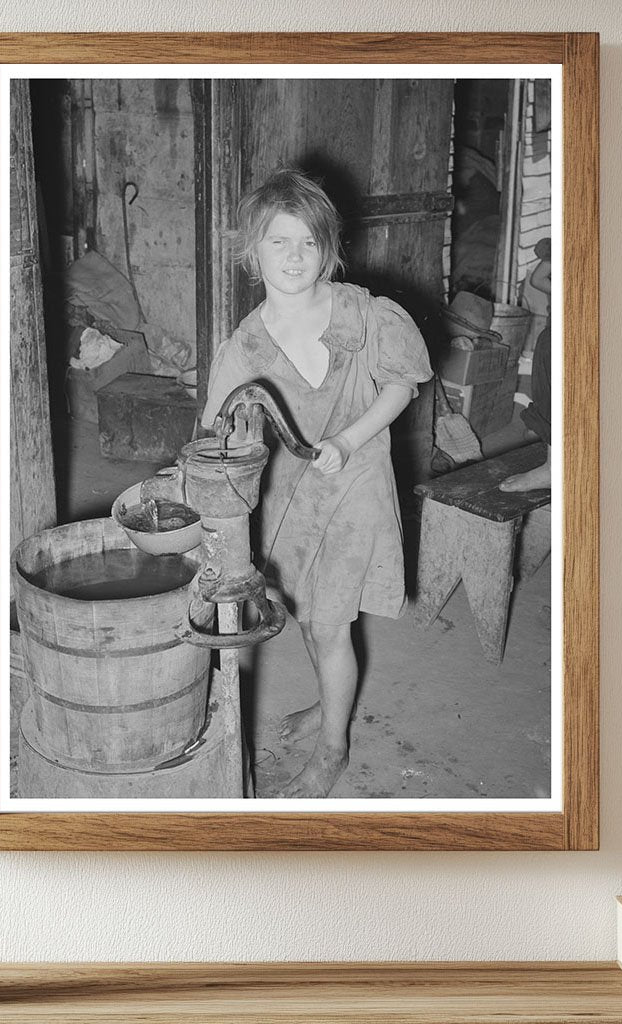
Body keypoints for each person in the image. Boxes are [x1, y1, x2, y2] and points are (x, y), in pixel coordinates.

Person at [200, 170, 432, 798]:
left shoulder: (362, 313)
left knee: (330, 625)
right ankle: (331, 706)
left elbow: (401, 387)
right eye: (279, 243)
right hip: (291, 502)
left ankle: (333, 747)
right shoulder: (245, 346)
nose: (295, 256)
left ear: (328, 248)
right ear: (254, 252)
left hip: (354, 486)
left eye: (308, 242)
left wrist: (348, 440)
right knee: (305, 613)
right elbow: (218, 433)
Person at [500, 241, 552, 492]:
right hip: (562, 331)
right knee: (552, 394)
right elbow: (539, 279)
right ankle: (553, 465)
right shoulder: (575, 236)